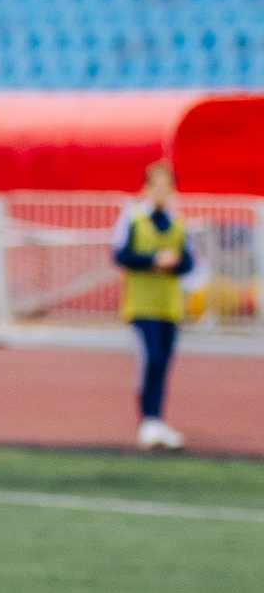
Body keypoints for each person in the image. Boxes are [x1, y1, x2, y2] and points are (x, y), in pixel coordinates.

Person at [111, 161, 195, 452]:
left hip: (169, 304)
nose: (161, 192)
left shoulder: (179, 223)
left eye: (166, 186)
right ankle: (148, 419)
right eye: (155, 186)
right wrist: (152, 260)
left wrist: (173, 263)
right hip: (142, 303)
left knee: (164, 362)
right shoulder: (133, 218)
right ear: (146, 188)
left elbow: (189, 262)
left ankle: (158, 420)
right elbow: (119, 254)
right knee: (152, 359)